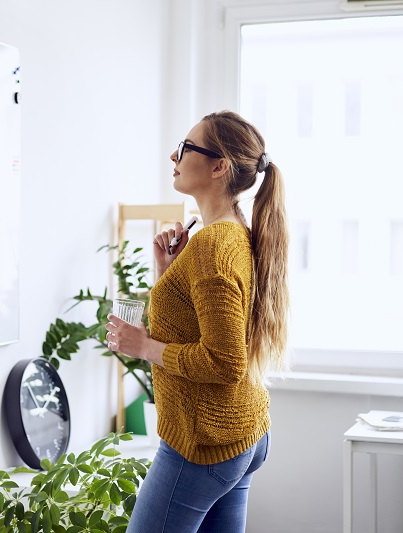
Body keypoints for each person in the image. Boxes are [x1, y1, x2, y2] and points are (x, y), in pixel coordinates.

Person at [105, 110, 289, 532]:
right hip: (240, 432)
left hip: (205, 443)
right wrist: (168, 271)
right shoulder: (235, 233)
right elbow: (196, 320)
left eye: (186, 148)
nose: (174, 155)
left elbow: (224, 363)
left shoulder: (212, 245)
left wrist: (142, 346)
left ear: (219, 166)